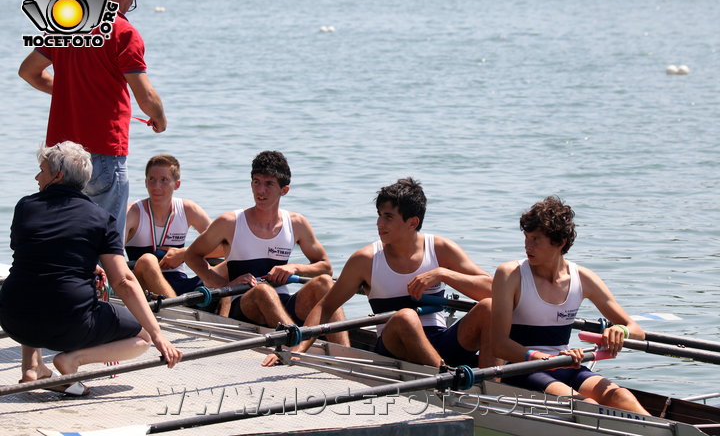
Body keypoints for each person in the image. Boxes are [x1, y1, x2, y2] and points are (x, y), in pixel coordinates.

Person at [0, 142, 181, 396]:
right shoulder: (99, 217)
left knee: (32, 280)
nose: (36, 176)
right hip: (70, 324)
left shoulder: (25, 207)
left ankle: (31, 368)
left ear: (57, 175)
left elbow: (38, 254)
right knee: (142, 339)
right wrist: (158, 334)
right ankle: (71, 362)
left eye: (42, 170)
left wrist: (83, 266)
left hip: (11, 317)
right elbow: (124, 282)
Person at [283, 177, 495, 369]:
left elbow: (492, 289)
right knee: (406, 317)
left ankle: (492, 383)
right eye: (379, 216)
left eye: (388, 217)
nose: (379, 224)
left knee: (489, 307)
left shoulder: (439, 249)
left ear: (413, 223)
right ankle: (444, 376)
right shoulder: (364, 260)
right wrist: (299, 349)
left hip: (439, 340)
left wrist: (444, 274)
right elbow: (326, 307)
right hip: (394, 347)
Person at [18, 0, 167, 235]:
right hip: (103, 151)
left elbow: (28, 72)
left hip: (59, 155)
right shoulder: (124, 32)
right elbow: (145, 96)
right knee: (105, 242)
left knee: (62, 235)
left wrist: (68, 90)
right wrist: (160, 118)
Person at [491, 196, 650, 415]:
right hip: (522, 368)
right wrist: (544, 359)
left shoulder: (583, 278)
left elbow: (637, 331)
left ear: (560, 242)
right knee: (587, 406)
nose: (527, 245)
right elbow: (498, 344)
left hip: (565, 365)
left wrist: (619, 330)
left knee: (620, 396)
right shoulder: (510, 274)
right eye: (526, 237)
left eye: (536, 239)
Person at [185, 151, 348, 346]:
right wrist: (222, 285)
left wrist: (294, 268)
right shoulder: (230, 222)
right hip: (244, 308)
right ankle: (295, 346)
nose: (260, 190)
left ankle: (343, 351)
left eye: (269, 184)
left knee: (325, 283)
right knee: (263, 291)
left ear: (284, 190)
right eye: (256, 182)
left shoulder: (297, 223)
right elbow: (192, 256)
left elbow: (325, 267)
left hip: (284, 304)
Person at [125, 154, 222, 298]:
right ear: (145, 182)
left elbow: (224, 247)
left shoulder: (188, 209)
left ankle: (223, 315)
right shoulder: (132, 212)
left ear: (177, 185)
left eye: (164, 180)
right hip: (144, 285)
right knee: (148, 260)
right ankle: (179, 308)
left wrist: (184, 253)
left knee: (228, 266)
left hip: (179, 280)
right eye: (152, 179)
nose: (156, 186)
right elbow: (113, 252)